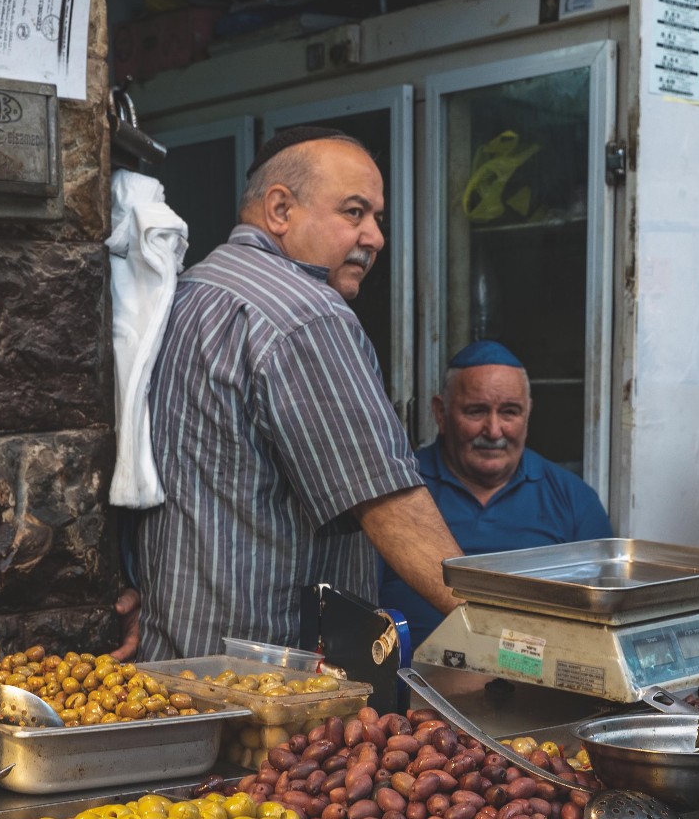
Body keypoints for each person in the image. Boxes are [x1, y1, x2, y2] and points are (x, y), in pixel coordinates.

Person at [123, 125, 465, 660]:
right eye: (354, 213)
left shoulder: (185, 293)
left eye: (377, 217)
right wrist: (499, 630)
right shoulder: (307, 314)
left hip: (170, 671)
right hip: (270, 691)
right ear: (280, 209)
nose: (374, 237)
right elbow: (387, 501)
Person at [380, 340, 614, 645]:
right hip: (412, 685)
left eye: (509, 412)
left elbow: (605, 624)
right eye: (476, 412)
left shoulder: (574, 501)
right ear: (441, 413)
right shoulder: (398, 493)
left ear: (528, 413)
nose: (493, 430)